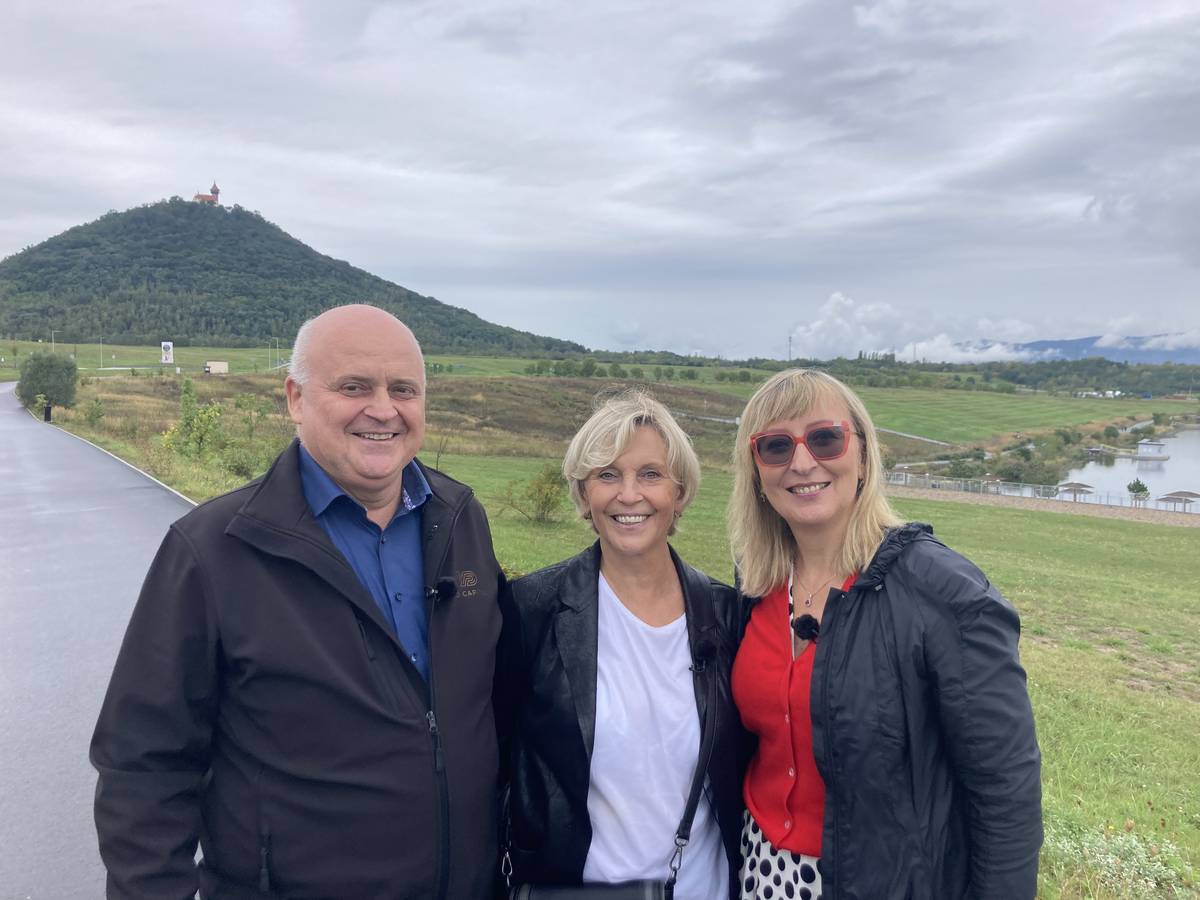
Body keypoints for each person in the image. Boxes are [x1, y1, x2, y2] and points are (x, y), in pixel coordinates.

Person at [90, 304, 504, 899]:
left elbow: (495, 704)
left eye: (403, 389)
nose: (383, 409)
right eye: (354, 387)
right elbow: (143, 767)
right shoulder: (214, 550)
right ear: (296, 399)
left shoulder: (462, 520)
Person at [728, 368, 1042, 900]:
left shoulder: (944, 593)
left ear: (864, 455)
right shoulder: (755, 582)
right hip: (759, 869)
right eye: (776, 447)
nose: (802, 462)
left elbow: (1005, 790)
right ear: (756, 472)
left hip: (885, 881)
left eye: (825, 438)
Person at [497, 390, 744, 899]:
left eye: (650, 474)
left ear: (680, 492)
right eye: (607, 475)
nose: (629, 495)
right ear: (584, 492)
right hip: (573, 894)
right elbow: (496, 763)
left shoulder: (727, 616)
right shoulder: (532, 610)